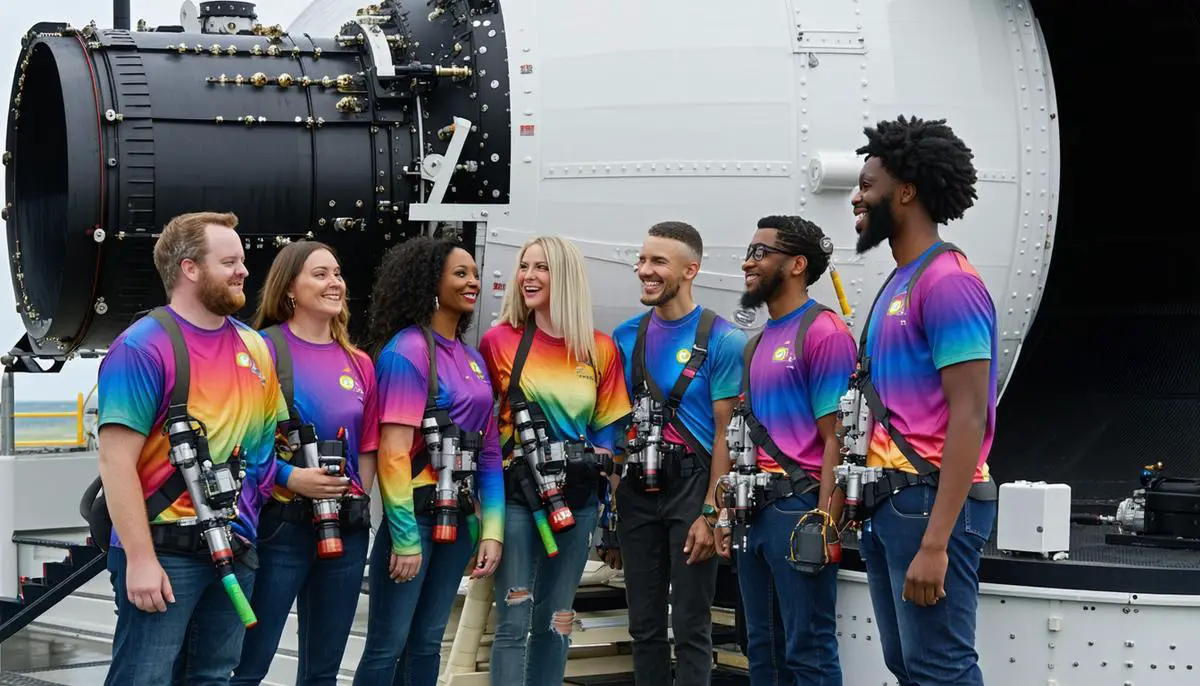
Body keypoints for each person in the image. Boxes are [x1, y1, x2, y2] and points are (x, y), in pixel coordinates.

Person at [95, 211, 288, 684]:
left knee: (214, 676)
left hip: (236, 550)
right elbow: (115, 462)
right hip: (163, 554)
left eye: (242, 260)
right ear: (190, 269)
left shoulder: (256, 348)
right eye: (230, 261)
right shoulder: (142, 347)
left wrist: (248, 531)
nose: (244, 270)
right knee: (145, 677)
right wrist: (139, 560)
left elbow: (264, 452)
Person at [850, 114, 999, 685]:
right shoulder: (900, 280)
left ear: (905, 192)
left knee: (940, 666)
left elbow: (970, 414)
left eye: (868, 186)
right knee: (907, 664)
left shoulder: (948, 281)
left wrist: (936, 542)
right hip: (895, 503)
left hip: (931, 502)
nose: (857, 198)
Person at [479, 235, 632, 686]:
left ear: (564, 276)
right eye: (524, 266)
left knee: (559, 616)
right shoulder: (498, 341)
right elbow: (484, 427)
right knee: (514, 613)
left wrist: (595, 469)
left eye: (541, 267)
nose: (528, 276)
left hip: (578, 499)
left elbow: (608, 433)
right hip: (517, 495)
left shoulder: (599, 349)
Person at [352, 236, 505, 685]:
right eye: (461, 274)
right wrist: (403, 538)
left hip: (458, 520)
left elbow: (490, 453)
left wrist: (491, 531)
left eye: (474, 274)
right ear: (429, 283)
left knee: (427, 642)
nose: (473, 281)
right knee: (387, 645)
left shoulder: (472, 358)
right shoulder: (408, 351)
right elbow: (394, 452)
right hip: (415, 520)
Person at [714, 215, 856, 685]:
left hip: (799, 510)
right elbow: (741, 434)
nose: (746, 263)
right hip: (755, 513)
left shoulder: (824, 331)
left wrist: (825, 521)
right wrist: (723, 514)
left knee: (808, 649)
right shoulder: (755, 346)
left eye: (760, 253)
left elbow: (838, 436)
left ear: (797, 264)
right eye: (749, 252)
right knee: (762, 649)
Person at [230, 241, 380, 685]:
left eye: (337, 273)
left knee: (323, 670)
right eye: (320, 274)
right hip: (280, 527)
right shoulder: (262, 350)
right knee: (248, 663)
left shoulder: (360, 362)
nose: (334, 282)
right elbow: (237, 444)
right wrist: (292, 477)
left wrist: (355, 499)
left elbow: (367, 446)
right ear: (289, 288)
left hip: (345, 529)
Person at [607, 221, 746, 685]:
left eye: (657, 262)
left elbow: (727, 432)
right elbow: (614, 427)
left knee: (691, 625)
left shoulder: (724, 340)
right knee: (644, 627)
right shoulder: (626, 337)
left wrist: (712, 511)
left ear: (691, 270)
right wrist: (613, 515)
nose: (644, 270)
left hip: (693, 489)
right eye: (642, 260)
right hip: (637, 492)